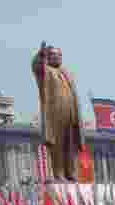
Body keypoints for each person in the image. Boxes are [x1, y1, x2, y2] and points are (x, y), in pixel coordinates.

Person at [31, 44, 83, 182]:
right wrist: (40, 55)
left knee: (70, 145)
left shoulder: (67, 73)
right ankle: (58, 173)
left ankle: (70, 172)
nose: (58, 57)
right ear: (48, 57)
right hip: (55, 114)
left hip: (71, 113)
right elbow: (36, 66)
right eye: (54, 55)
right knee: (57, 145)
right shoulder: (45, 71)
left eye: (59, 55)